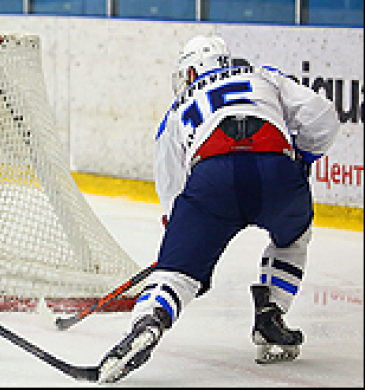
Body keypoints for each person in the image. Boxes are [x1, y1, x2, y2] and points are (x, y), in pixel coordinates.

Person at [95, 35, 341, 383]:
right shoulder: (263, 75)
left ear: (192, 70)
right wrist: (302, 159)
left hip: (212, 178)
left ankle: (149, 321)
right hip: (276, 170)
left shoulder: (178, 107)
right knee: (293, 238)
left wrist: (181, 249)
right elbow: (323, 115)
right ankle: (271, 313)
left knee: (175, 277)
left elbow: (173, 192)